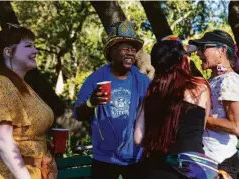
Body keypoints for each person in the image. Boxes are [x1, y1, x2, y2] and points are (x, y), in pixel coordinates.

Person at [134, 37, 225, 179]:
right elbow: (201, 126)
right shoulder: (199, 87)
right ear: (182, 61)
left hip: (154, 169)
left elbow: (138, 138)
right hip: (191, 170)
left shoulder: (152, 92)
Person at [74, 20, 150, 179]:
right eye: (126, 48)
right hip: (104, 159)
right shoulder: (95, 79)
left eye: (134, 49)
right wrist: (91, 102)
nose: (131, 53)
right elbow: (78, 114)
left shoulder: (142, 81)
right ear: (113, 51)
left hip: (136, 158)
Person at [0, 23, 57, 179]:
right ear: (8, 52)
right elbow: (1, 139)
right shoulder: (1, 83)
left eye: (34, 46)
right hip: (7, 174)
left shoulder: (22, 86)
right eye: (28, 46)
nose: (35, 51)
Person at [189, 29, 239, 179]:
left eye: (203, 48)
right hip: (208, 161)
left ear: (222, 50)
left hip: (222, 163)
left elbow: (236, 126)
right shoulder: (215, 80)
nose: (198, 54)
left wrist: (200, 118)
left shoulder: (229, 80)